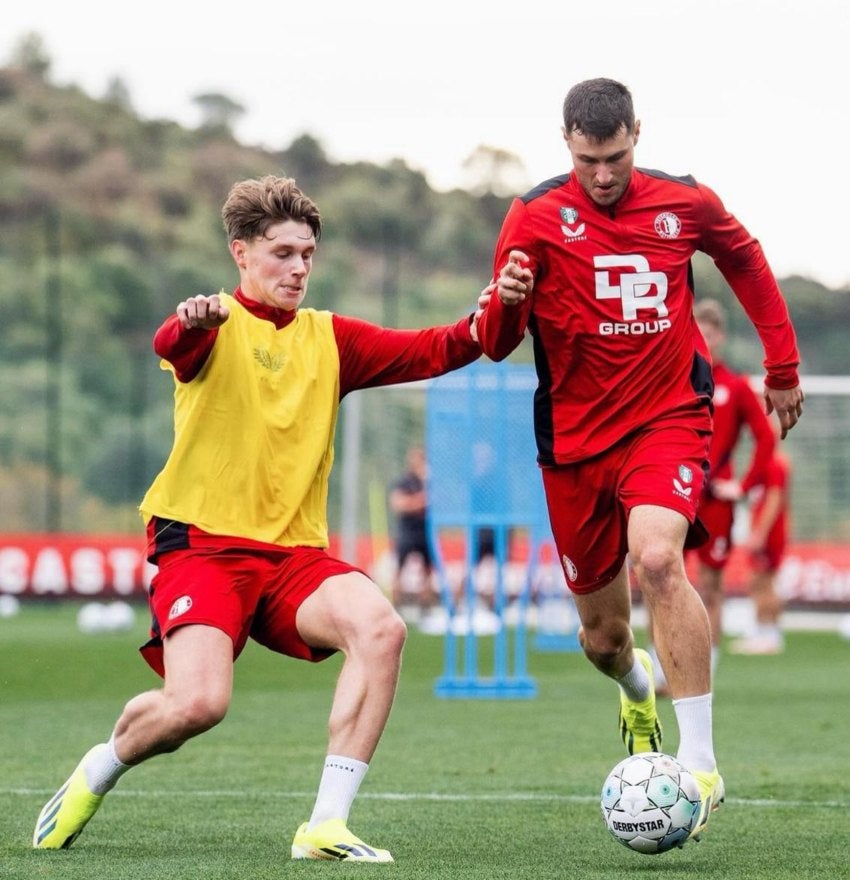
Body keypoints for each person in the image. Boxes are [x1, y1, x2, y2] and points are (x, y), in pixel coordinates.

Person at [34, 174, 487, 862]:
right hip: (202, 547)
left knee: (382, 628)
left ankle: (325, 826)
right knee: (197, 706)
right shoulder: (211, 323)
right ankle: (100, 767)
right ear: (240, 253)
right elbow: (171, 344)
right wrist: (190, 323)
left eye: (307, 253)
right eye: (281, 253)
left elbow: (444, 347)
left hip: (293, 557)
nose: (298, 267)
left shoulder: (331, 340)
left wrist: (497, 314)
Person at [477, 77, 804, 844]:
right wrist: (511, 298)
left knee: (658, 558)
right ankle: (635, 690)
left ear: (637, 136)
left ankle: (699, 766)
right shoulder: (532, 215)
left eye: (616, 156)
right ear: (566, 142)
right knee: (603, 640)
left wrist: (781, 366)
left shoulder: (684, 202)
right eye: (590, 159)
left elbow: (748, 262)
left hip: (666, 419)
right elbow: (495, 342)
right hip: (573, 445)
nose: (603, 174)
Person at [649, 297, 776, 691]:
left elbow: (766, 440)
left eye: (710, 332)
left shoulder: (735, 387)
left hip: (715, 501)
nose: (703, 338)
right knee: (658, 578)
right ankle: (660, 670)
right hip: (672, 494)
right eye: (696, 331)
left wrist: (743, 486)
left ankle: (706, 673)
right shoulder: (671, 379)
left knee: (711, 587)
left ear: (719, 337)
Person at [730, 434, 792, 655]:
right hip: (765, 531)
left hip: (770, 533)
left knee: (763, 581)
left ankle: (768, 634)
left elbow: (775, 499)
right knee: (758, 581)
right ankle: (762, 631)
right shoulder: (767, 463)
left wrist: (760, 533)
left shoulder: (775, 463)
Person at [388, 445, 440, 623]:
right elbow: (398, 504)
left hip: (424, 532)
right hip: (407, 532)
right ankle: (395, 607)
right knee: (399, 570)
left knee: (427, 572)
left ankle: (425, 608)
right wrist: (420, 502)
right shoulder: (404, 481)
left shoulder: (429, 482)